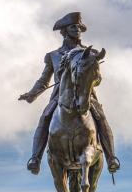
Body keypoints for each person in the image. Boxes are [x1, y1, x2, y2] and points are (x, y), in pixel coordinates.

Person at [19, 12, 120, 175]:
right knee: (45, 118)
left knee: (101, 118)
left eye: (80, 27)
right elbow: (44, 80)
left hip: (86, 95)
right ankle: (35, 158)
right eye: (74, 27)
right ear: (65, 31)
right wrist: (32, 94)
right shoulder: (53, 56)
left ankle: (111, 158)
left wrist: (89, 80)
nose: (78, 30)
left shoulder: (91, 53)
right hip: (60, 96)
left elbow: (97, 79)